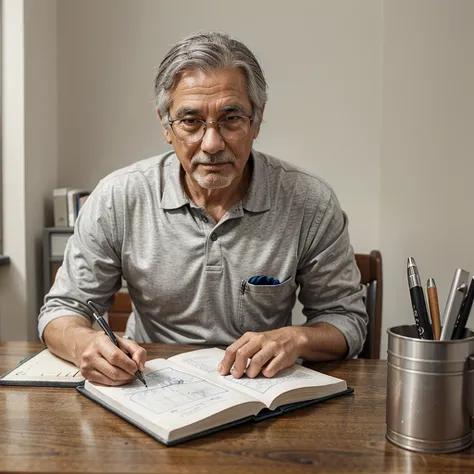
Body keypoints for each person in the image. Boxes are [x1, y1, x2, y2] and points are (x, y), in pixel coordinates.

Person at [39, 31, 367, 386]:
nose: (211, 144)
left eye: (231, 119)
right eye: (191, 121)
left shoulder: (309, 202)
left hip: (261, 392)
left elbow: (346, 321)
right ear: (166, 126)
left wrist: (295, 338)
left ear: (256, 120)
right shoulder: (118, 197)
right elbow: (62, 311)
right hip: (150, 387)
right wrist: (87, 343)